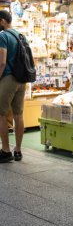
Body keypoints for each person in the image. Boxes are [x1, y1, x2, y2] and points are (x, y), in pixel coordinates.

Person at [0, 10, 26, 163]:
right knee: (18, 114)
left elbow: (2, 62)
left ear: (3, 21)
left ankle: (5, 150)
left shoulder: (3, 36)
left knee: (1, 114)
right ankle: (18, 150)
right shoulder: (20, 36)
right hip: (22, 79)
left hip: (9, 77)